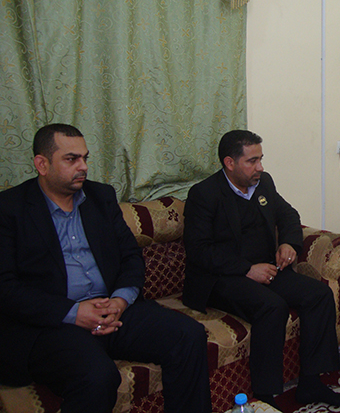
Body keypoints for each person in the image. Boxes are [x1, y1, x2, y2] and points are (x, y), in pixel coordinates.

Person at [0, 124, 212, 413]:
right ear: (42, 164)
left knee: (189, 335)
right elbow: (6, 288)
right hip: (54, 322)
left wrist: (120, 300)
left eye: (85, 158)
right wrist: (74, 312)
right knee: (98, 377)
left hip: (113, 309)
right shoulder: (10, 209)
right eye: (71, 159)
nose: (83, 167)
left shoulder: (100, 197)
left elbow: (131, 256)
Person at [182, 129, 340, 408]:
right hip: (222, 278)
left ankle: (311, 384)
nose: (260, 167)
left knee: (319, 295)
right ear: (229, 163)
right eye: (252, 161)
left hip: (266, 269)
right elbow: (199, 250)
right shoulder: (204, 194)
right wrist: (247, 269)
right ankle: (266, 396)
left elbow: (288, 215)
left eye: (260, 159)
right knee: (272, 307)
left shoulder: (263, 183)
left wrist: (288, 243)